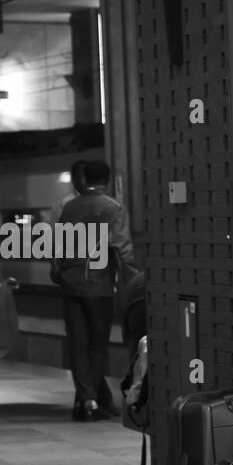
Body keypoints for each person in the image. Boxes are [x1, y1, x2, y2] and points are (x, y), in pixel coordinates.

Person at [52, 159, 138, 421]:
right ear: (108, 179)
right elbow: (123, 248)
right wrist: (133, 279)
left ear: (84, 178)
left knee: (78, 343)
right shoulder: (112, 208)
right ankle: (91, 399)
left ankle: (87, 399)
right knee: (97, 346)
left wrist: (58, 273)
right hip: (99, 285)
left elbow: (57, 244)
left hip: (71, 284)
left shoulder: (69, 207)